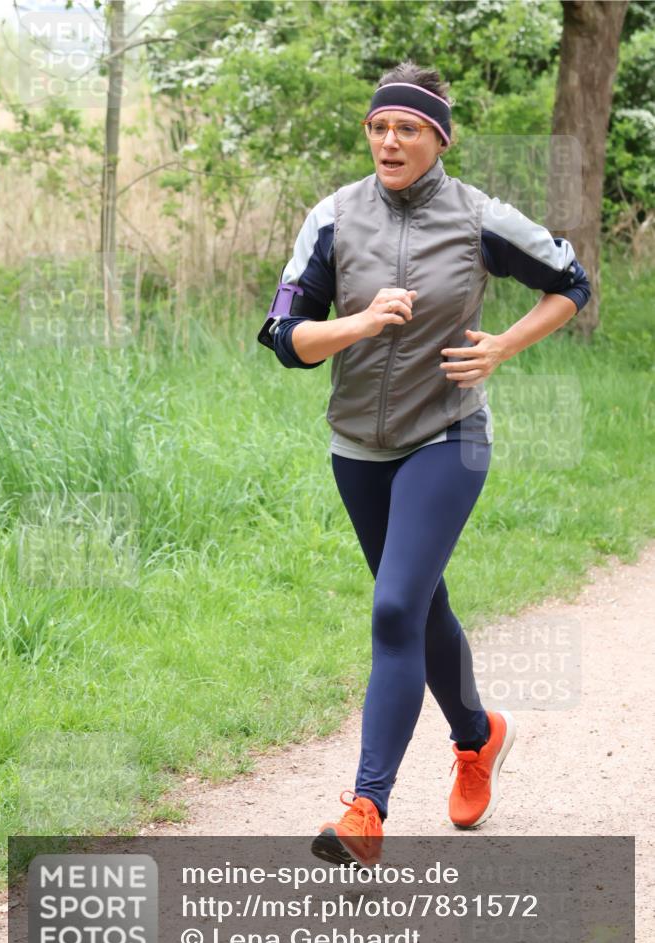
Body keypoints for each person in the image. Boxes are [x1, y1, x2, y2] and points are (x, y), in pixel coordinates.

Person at [256, 61, 591, 868]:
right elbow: (282, 337)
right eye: (378, 127)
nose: (389, 140)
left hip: (448, 435)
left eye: (407, 128)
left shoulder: (477, 216)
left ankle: (365, 809)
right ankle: (478, 738)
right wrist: (358, 324)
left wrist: (504, 345)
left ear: (437, 138)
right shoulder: (332, 219)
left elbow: (570, 282)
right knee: (418, 609)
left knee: (392, 607)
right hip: (357, 448)